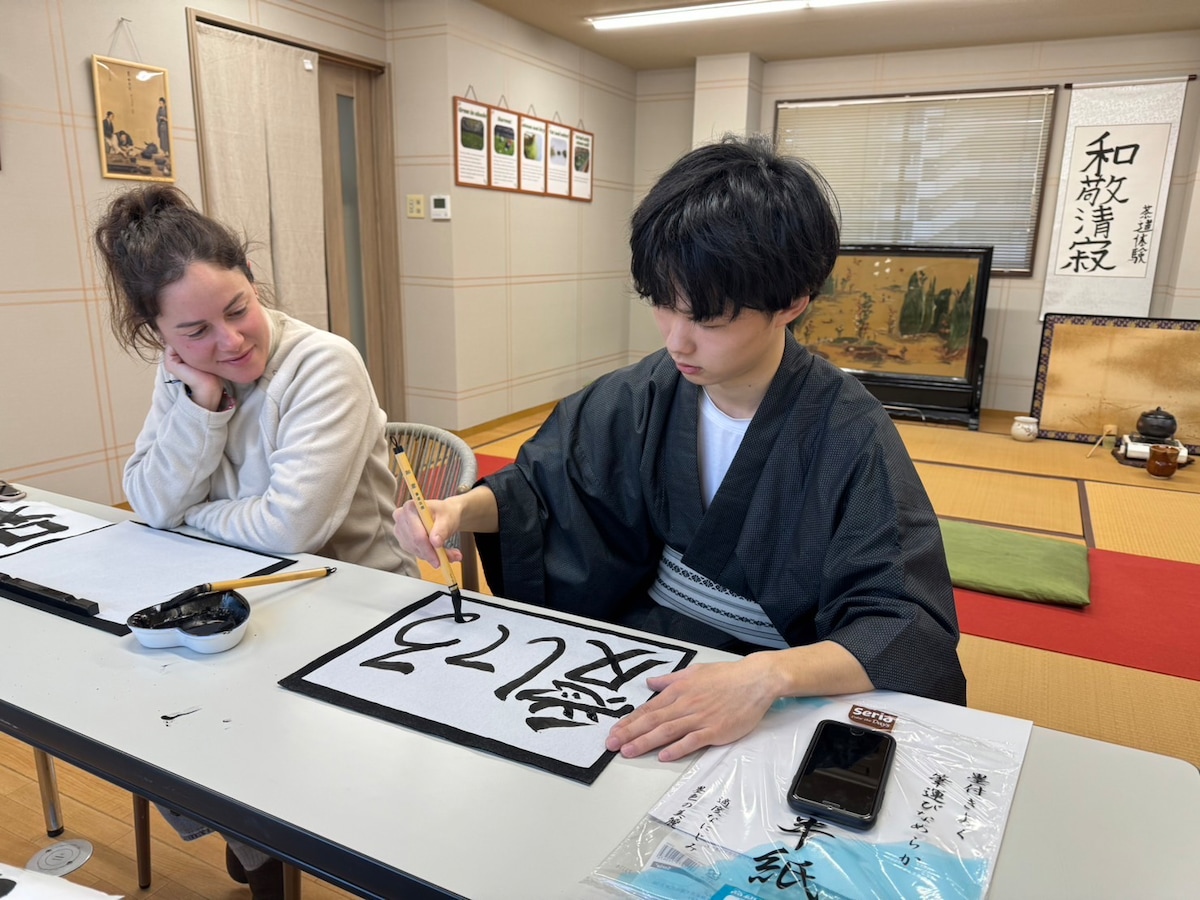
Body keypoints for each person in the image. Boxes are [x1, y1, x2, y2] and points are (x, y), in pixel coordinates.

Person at [394, 134, 966, 765]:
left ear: (793, 302)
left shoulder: (850, 434)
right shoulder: (641, 394)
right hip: (647, 656)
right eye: (663, 305)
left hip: (778, 692)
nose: (677, 341)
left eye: (708, 318)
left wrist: (768, 677)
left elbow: (905, 623)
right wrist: (457, 512)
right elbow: (543, 488)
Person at [95, 184, 416, 898]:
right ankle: (257, 856)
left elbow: (290, 532)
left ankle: (268, 852)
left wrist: (191, 515)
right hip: (240, 603)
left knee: (228, 730)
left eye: (238, 310)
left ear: (254, 284)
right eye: (195, 331)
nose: (230, 341)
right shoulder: (183, 375)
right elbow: (149, 499)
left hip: (358, 604)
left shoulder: (323, 363)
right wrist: (202, 407)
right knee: (156, 711)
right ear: (160, 334)